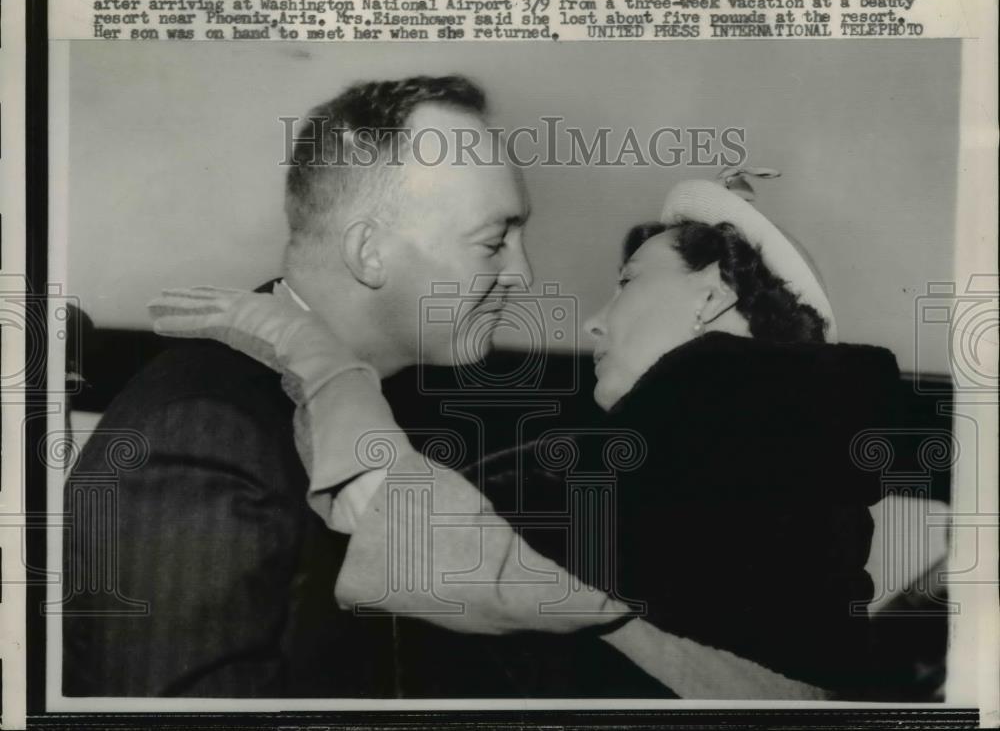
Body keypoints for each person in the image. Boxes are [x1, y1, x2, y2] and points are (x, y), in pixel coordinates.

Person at [150, 175, 894, 698]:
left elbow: (432, 550)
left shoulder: (726, 406)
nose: (596, 319)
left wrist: (306, 349)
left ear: (713, 294)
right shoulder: (786, 434)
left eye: (630, 280)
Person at [61, 76, 625, 698]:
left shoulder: (368, 405)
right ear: (369, 253)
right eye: (494, 243)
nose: (524, 275)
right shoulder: (207, 433)